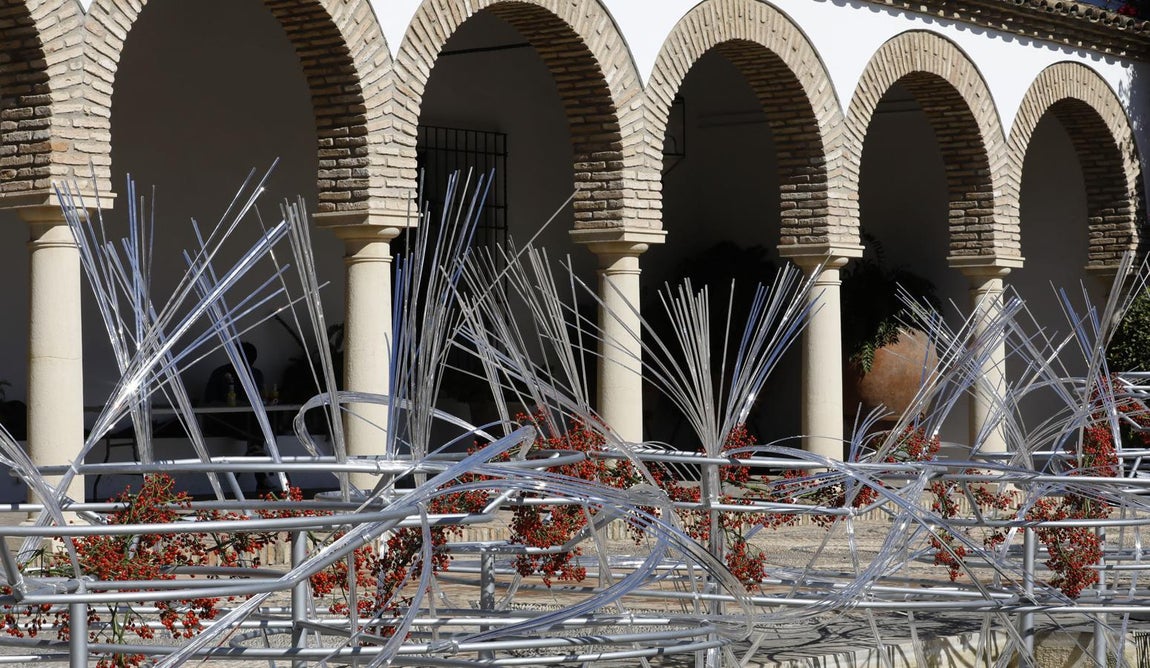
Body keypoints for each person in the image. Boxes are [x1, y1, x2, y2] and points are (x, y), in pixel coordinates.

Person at [203, 342, 279, 495]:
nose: (246, 364)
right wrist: (232, 404)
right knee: (258, 428)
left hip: (249, 423)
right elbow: (209, 402)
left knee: (265, 421)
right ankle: (262, 469)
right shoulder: (221, 374)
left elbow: (260, 397)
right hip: (225, 422)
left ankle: (259, 455)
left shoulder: (256, 374)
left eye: (249, 361)